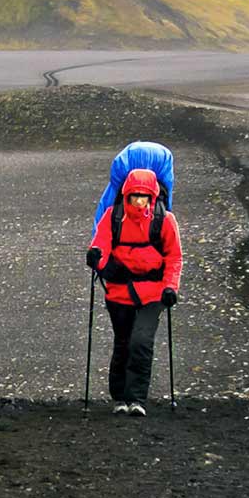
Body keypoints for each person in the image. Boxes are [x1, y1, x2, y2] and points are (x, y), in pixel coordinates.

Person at [84, 168, 181, 416]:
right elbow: (101, 244)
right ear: (126, 195)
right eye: (135, 196)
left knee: (141, 341)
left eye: (144, 197)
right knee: (123, 342)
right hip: (119, 293)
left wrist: (171, 287)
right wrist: (96, 256)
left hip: (154, 293)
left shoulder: (165, 220)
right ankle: (119, 399)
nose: (139, 201)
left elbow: (174, 257)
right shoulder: (112, 216)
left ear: (152, 197)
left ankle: (136, 399)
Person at [92, 140, 174, 237]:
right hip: (160, 158)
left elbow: (108, 203)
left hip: (131, 157)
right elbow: (166, 196)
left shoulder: (123, 167)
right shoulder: (163, 163)